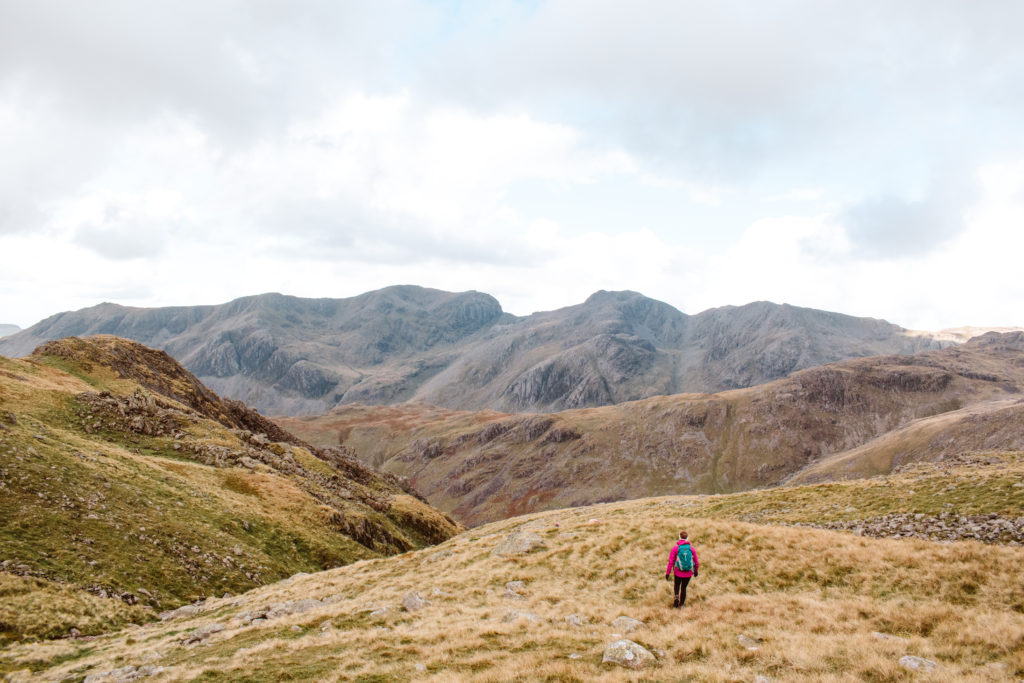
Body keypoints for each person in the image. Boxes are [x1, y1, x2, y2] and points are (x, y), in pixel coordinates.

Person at [665, 530, 699, 608]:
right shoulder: (691, 548)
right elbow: (696, 561)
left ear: (679, 537)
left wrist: (667, 573)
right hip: (688, 573)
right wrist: (696, 570)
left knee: (677, 585)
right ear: (687, 538)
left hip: (678, 572)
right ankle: (681, 605)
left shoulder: (676, 548)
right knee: (684, 588)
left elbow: (671, 562)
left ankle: (676, 599)